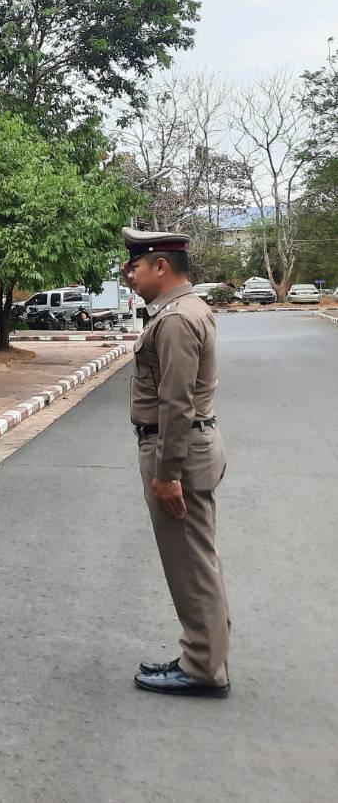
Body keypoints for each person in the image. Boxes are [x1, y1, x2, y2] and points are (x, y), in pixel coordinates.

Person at [122, 227, 231, 698]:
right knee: (197, 559)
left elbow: (176, 403)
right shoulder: (187, 308)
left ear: (161, 266)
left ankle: (204, 668)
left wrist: (166, 474)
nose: (130, 275)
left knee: (189, 563)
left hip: (178, 453)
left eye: (136, 266)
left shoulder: (176, 320)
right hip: (190, 447)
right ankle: (202, 654)